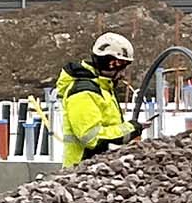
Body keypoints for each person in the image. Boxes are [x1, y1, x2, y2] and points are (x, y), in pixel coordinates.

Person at [52, 31, 138, 168]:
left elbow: (109, 125)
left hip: (100, 167)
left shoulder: (103, 87)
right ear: (110, 64)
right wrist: (130, 129)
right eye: (121, 68)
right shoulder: (83, 92)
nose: (122, 75)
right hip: (81, 171)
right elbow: (91, 138)